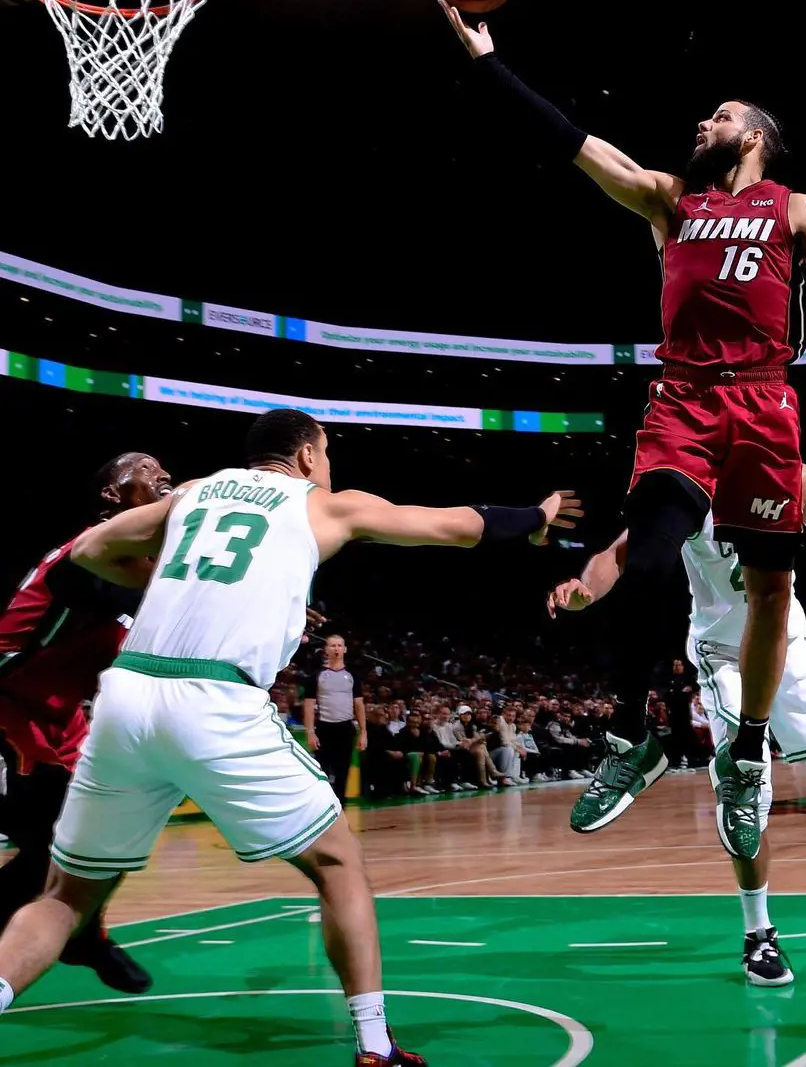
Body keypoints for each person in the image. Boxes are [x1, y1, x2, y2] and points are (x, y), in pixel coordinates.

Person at [441, 0, 806, 856]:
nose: (705, 120)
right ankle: (635, 734)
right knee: (652, 551)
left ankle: (744, 750)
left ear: (758, 136)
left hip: (766, 404)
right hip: (683, 403)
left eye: (723, 114)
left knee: (772, 593)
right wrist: (487, 62)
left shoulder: (797, 209)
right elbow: (574, 142)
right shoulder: (671, 202)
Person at [0, 408, 580, 1066]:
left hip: (128, 697)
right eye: (327, 452)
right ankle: (375, 1045)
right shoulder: (324, 504)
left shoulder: (194, 489)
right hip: (214, 697)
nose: (328, 466)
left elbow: (91, 548)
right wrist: (536, 514)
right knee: (338, 865)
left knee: (65, 896)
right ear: (306, 456)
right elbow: (454, 524)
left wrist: (163, 573)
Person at [550, 463, 806, 984]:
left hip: (791, 645)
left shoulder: (792, 476)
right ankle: (758, 933)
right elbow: (617, 555)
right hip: (724, 655)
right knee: (747, 793)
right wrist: (585, 589)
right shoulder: (684, 487)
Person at [0, 452, 173, 997]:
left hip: (63, 717)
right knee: (53, 842)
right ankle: (74, 933)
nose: (160, 471)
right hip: (9, 703)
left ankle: (80, 931)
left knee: (103, 835)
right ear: (111, 496)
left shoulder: (141, 569)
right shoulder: (93, 551)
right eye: (144, 467)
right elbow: (132, 591)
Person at [304, 634, 367, 805]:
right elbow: (309, 705)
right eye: (332, 645)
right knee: (323, 770)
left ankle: (341, 809)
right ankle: (323, 806)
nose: (336, 649)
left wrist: (363, 733)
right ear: (326, 650)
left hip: (345, 728)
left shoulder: (353, 675)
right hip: (324, 727)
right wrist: (310, 732)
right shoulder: (317, 676)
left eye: (339, 645)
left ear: (345, 649)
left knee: (343, 771)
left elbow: (359, 705)